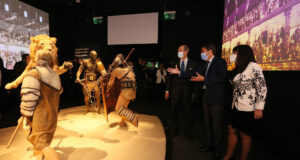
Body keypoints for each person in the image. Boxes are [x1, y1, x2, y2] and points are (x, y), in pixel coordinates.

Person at [223, 45, 267, 160]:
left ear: (243, 54)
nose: (233, 55)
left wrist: (259, 107)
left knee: (244, 134)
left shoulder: (253, 66)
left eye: (235, 53)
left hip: (248, 107)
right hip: (236, 105)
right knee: (231, 129)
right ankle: (229, 155)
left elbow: (262, 87)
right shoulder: (238, 68)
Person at [19, 49, 62, 160]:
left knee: (42, 144)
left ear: (36, 59)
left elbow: (29, 99)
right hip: (52, 116)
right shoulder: (55, 75)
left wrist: (26, 114)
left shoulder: (34, 74)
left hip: (40, 117)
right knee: (43, 143)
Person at [191, 42, 227, 159]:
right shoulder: (204, 64)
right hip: (205, 96)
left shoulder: (220, 62)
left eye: (203, 51)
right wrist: (180, 72)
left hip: (216, 97)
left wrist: (204, 79)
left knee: (216, 125)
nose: (201, 54)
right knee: (206, 123)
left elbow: (221, 78)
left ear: (210, 51)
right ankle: (210, 145)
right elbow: (193, 73)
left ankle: (218, 150)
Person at [166, 44, 196, 136]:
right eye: (178, 50)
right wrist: (167, 90)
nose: (178, 52)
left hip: (187, 93)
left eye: (180, 50)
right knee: (173, 112)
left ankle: (188, 132)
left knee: (187, 114)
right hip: (175, 92)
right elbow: (169, 78)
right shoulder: (173, 63)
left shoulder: (193, 64)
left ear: (186, 52)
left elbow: (192, 76)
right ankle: (173, 130)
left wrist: (194, 92)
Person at [106, 54, 138, 127]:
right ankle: (122, 122)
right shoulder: (129, 68)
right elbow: (134, 76)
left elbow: (110, 83)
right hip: (133, 89)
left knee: (118, 109)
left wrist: (107, 90)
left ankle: (133, 118)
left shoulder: (116, 70)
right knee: (124, 107)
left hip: (126, 90)